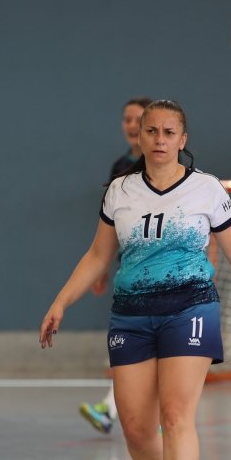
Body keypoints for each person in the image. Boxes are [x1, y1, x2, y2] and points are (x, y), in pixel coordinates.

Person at [41, 99, 231, 460]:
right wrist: (61, 301)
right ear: (139, 137)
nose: (159, 140)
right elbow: (98, 254)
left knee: (175, 416)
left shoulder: (206, 189)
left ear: (182, 140)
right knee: (136, 429)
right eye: (151, 131)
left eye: (169, 133)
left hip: (189, 309)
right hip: (131, 315)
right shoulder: (120, 191)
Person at [80, 97, 152, 435]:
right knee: (131, 342)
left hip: (163, 271)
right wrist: (102, 267)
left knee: (155, 346)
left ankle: (124, 412)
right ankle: (113, 409)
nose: (131, 125)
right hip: (130, 271)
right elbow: (111, 226)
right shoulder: (120, 167)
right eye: (126, 119)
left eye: (138, 119)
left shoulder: (167, 165)